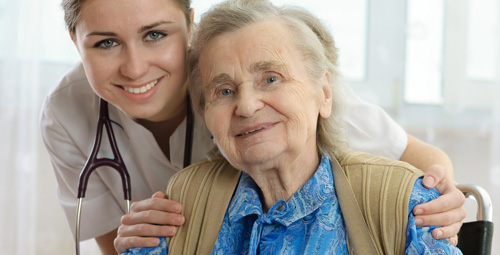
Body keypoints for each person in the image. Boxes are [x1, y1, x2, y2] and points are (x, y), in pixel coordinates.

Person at [40, 0, 464, 253]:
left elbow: (425, 166)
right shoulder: (66, 112)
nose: (134, 67)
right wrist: (135, 238)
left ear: (188, 26)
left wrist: (440, 202)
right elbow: (117, 245)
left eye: (154, 34)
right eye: (106, 42)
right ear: (75, 43)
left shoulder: (269, 77)